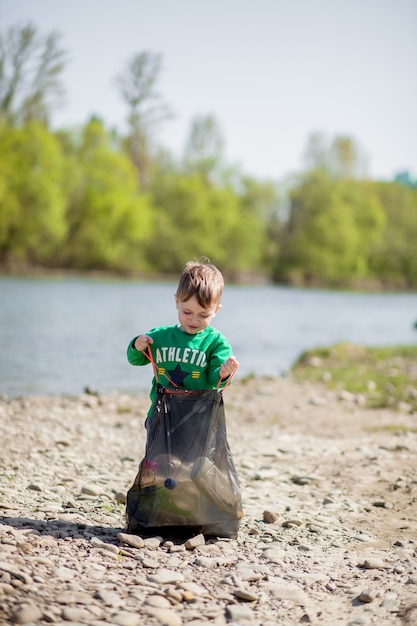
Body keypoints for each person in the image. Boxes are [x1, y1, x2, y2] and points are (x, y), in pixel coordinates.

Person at [127, 259, 239, 415]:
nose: (194, 319)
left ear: (216, 311)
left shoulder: (216, 342)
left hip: (198, 414)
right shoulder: (160, 336)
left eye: (203, 315)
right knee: (159, 441)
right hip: (162, 413)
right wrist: (137, 346)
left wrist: (224, 372)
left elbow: (216, 380)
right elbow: (136, 359)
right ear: (177, 302)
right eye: (187, 312)